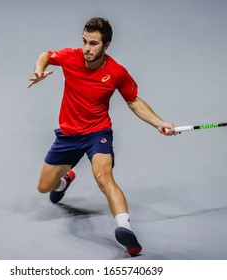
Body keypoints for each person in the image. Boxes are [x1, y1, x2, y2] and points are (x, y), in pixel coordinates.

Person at [28, 17, 177, 257]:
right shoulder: (70, 56)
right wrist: (39, 69)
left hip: (98, 133)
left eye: (94, 43)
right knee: (44, 187)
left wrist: (160, 123)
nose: (87, 48)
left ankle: (125, 229)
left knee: (103, 176)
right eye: (85, 41)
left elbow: (134, 101)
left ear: (106, 46)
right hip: (67, 136)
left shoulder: (116, 72)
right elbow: (46, 55)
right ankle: (65, 180)